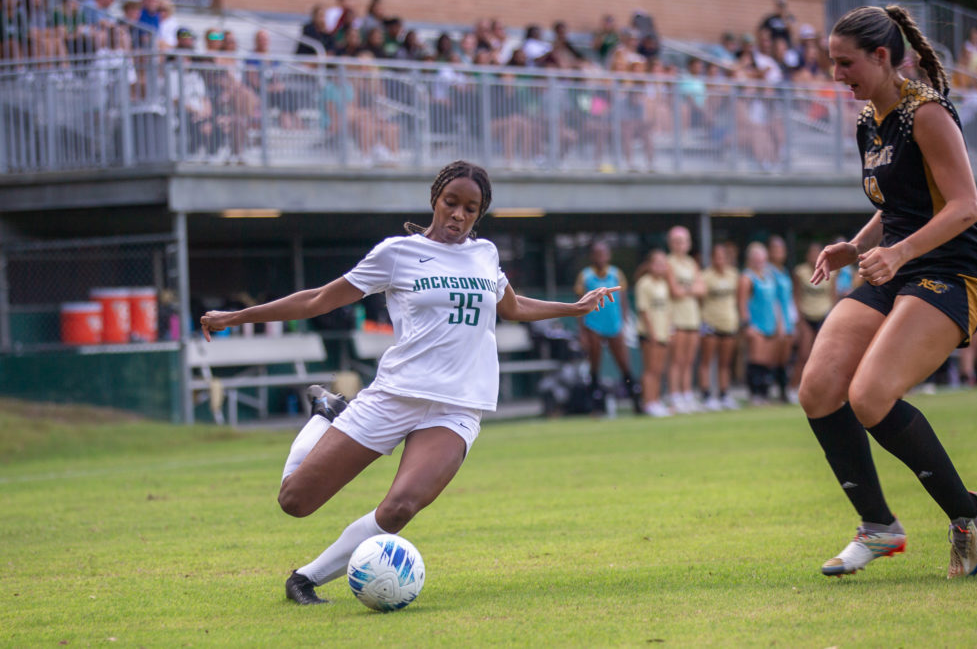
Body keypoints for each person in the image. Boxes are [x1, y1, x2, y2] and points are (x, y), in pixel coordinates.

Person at [198, 161, 619, 604]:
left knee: (400, 507)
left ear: (480, 214)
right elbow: (320, 299)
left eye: (470, 209)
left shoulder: (486, 254)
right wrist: (239, 315)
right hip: (394, 396)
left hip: (456, 406)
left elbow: (511, 307)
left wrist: (573, 308)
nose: (458, 215)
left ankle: (305, 579)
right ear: (435, 199)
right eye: (451, 202)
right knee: (294, 501)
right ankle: (324, 415)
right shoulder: (396, 253)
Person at [799, 5, 977, 580]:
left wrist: (900, 252)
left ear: (882, 57)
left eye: (845, 63)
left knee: (870, 396)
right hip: (895, 269)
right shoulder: (870, 118)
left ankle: (968, 514)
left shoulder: (927, 114)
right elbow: (897, 207)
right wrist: (854, 246)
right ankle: (879, 527)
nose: (837, 74)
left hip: (952, 272)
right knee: (818, 389)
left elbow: (966, 206)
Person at [573, 240, 643, 415]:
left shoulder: (616, 273)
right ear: (592, 256)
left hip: (614, 324)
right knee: (594, 366)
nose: (600, 257)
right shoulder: (585, 275)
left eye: (603, 253)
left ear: (608, 255)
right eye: (597, 254)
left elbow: (623, 300)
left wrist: (625, 322)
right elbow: (579, 304)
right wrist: (582, 331)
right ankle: (595, 405)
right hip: (593, 325)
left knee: (624, 364)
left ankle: (636, 401)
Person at [665, 226, 705, 413]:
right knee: (677, 360)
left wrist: (686, 290)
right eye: (677, 241)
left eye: (684, 241)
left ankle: (687, 394)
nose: (681, 245)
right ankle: (675, 396)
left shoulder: (691, 263)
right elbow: (674, 291)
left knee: (689, 360)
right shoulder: (668, 262)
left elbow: (702, 289)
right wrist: (691, 290)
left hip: (692, 317)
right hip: (676, 317)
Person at [698, 242, 741, 411]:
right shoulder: (705, 276)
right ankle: (706, 396)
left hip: (729, 322)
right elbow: (701, 299)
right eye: (716, 256)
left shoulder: (733, 275)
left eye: (723, 256)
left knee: (725, 362)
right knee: (707, 361)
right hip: (710, 323)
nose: (720, 260)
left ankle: (724, 395)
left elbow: (736, 299)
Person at [737, 241, 780, 405]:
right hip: (756, 325)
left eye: (762, 258)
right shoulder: (747, 277)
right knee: (756, 359)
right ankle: (754, 394)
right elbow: (742, 303)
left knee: (767, 361)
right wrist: (747, 325)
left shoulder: (769, 276)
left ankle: (764, 393)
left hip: (770, 323)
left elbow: (774, 301)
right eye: (756, 258)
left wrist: (779, 322)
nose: (759, 261)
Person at [790, 241, 835, 394]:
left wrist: (832, 318)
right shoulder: (800, 272)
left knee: (823, 355)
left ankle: (821, 389)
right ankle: (793, 388)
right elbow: (796, 296)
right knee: (803, 354)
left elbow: (832, 296)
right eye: (812, 253)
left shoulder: (832, 271)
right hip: (806, 317)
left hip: (823, 316)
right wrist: (799, 320)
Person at [634, 249, 674, 417]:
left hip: (663, 332)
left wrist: (668, 329)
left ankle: (656, 401)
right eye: (657, 263)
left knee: (659, 369)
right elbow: (643, 310)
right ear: (650, 265)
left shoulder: (664, 284)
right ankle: (649, 402)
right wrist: (652, 333)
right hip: (650, 334)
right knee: (650, 369)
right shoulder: (644, 283)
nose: (661, 266)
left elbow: (668, 310)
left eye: (663, 263)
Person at [767, 235, 798, 403]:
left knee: (786, 358)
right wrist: (779, 323)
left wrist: (793, 322)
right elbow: (773, 300)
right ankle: (771, 391)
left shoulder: (784, 271)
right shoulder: (768, 272)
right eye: (775, 249)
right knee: (774, 357)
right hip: (775, 321)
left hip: (788, 319)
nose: (779, 252)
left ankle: (783, 391)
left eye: (781, 249)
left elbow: (789, 298)